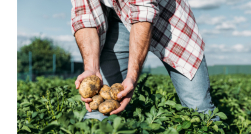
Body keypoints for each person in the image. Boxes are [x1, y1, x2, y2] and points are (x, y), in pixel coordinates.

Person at [71, 0, 219, 121]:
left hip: (168, 17)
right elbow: (84, 16)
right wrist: (92, 68)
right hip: (117, 17)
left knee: (199, 108)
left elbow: (143, 13)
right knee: (99, 108)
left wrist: (132, 77)